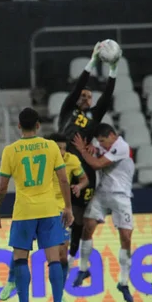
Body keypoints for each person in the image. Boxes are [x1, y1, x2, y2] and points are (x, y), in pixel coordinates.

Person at [0, 108, 74, 302]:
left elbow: (1, 187)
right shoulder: (51, 146)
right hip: (48, 209)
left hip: (24, 211)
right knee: (54, 259)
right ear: (38, 125)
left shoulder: (10, 150)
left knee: (20, 259)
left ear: (19, 126)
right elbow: (64, 180)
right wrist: (68, 207)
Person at [0, 133, 88, 302]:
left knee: (62, 255)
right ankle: (11, 280)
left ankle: (59, 296)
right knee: (21, 248)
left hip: (59, 209)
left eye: (64, 148)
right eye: (59, 147)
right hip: (41, 208)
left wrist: (78, 186)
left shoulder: (72, 161)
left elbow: (84, 178)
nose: (61, 151)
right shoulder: (45, 154)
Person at [58, 42, 119, 264]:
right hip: (63, 165)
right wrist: (93, 61)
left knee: (80, 216)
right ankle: (60, 250)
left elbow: (108, 94)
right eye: (82, 95)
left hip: (84, 169)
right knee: (64, 212)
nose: (85, 98)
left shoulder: (95, 116)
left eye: (89, 96)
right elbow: (78, 85)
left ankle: (73, 254)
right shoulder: (67, 110)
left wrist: (114, 68)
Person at [71, 124, 135, 302]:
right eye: (99, 141)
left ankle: (123, 282)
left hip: (121, 195)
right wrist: (91, 147)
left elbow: (97, 164)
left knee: (126, 238)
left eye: (103, 141)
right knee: (87, 228)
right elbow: (94, 149)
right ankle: (83, 269)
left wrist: (84, 151)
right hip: (101, 194)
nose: (102, 144)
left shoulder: (121, 146)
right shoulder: (101, 145)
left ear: (113, 136)